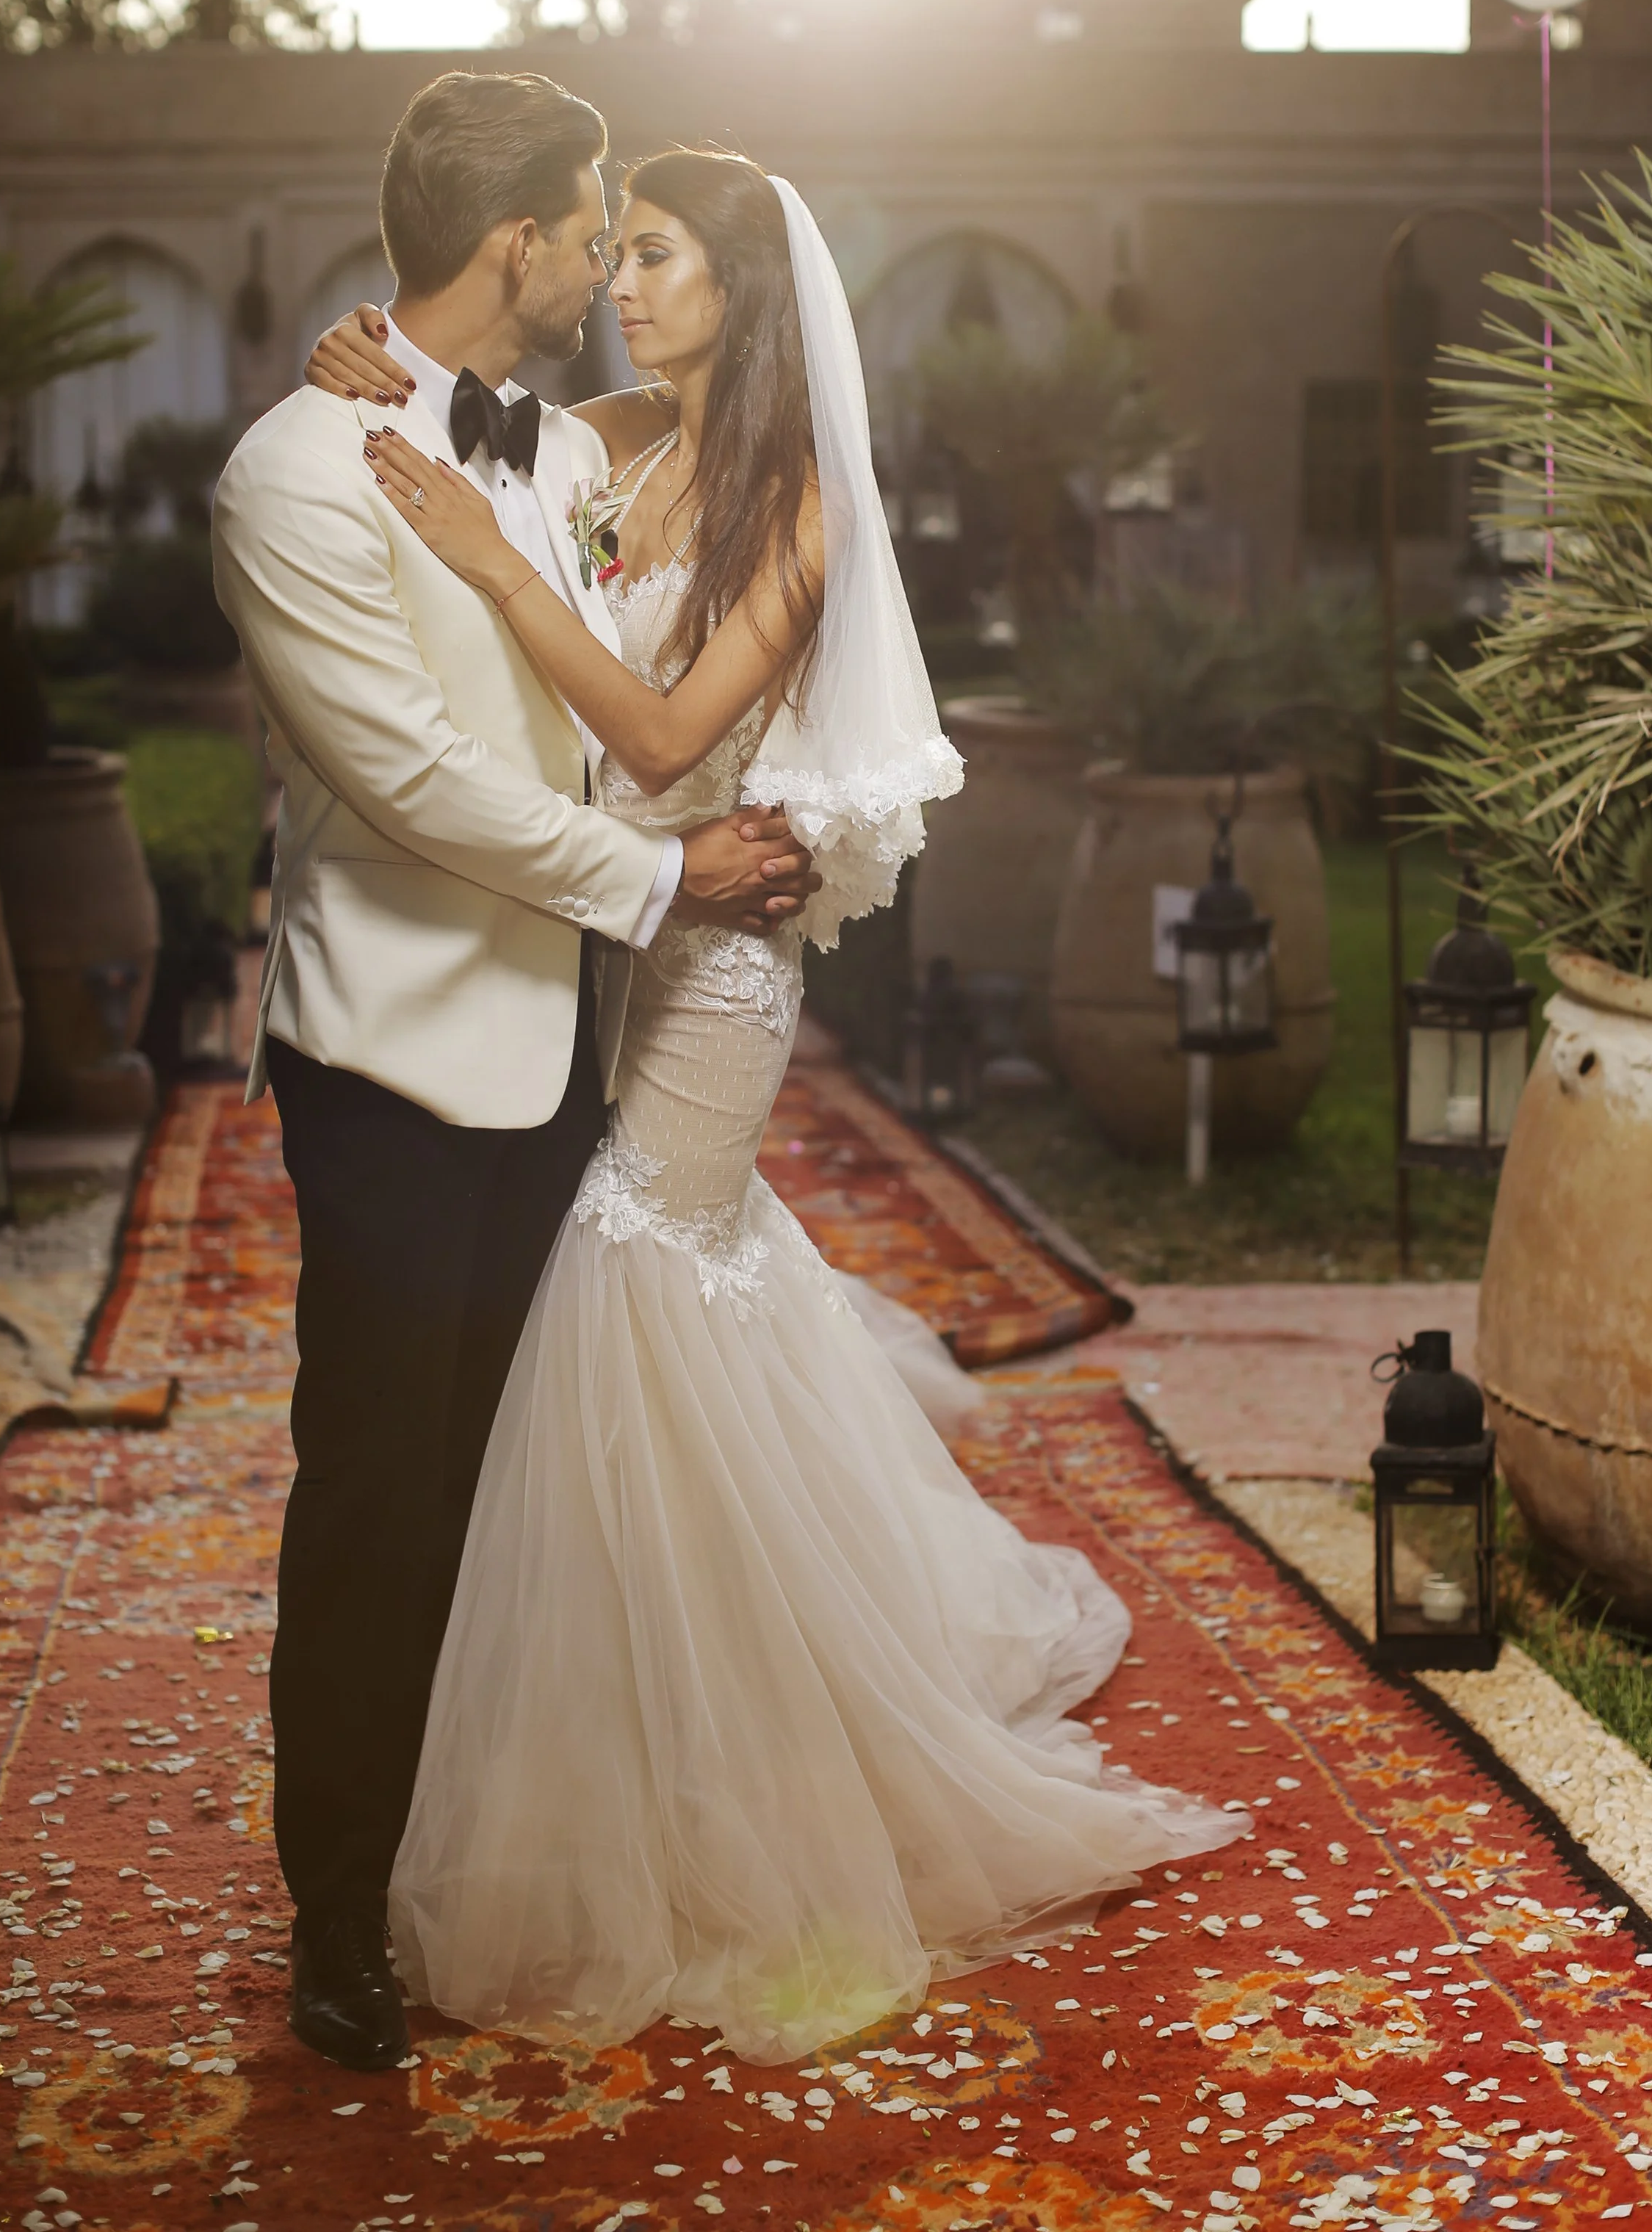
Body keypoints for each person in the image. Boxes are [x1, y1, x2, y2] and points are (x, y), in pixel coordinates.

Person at [297, 144, 1249, 2067]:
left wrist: (496, 571)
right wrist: (361, 358)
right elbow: (469, 417)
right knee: (588, 1323)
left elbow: (661, 733)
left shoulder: (803, 505)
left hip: (715, 969)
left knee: (631, 1289)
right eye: (613, 252)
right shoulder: (618, 437)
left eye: (650, 255)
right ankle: (612, 1728)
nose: (617, 283)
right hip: (591, 929)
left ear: (738, 276)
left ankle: (706, 1777)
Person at [211, 71, 823, 2076]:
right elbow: (408, 784)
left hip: (570, 1041)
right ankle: (338, 1908)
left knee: (522, 1486)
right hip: (390, 1065)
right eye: (585, 231)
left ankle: (503, 1854)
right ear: (514, 250)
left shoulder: (555, 443)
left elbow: (735, 421)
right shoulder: (289, 479)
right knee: (382, 1488)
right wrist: (661, 872)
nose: (596, 264)